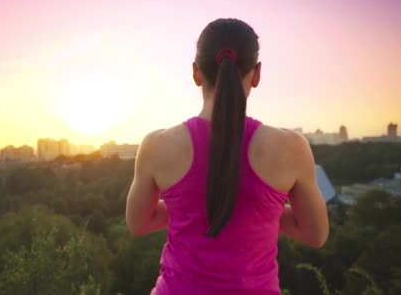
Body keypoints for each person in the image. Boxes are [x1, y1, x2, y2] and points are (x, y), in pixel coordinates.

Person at [125, 18, 329, 294]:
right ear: (256, 75)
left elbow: (139, 223)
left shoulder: (157, 145)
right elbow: (315, 234)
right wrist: (259, 210)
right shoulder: (291, 147)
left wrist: (190, 206)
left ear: (196, 73)